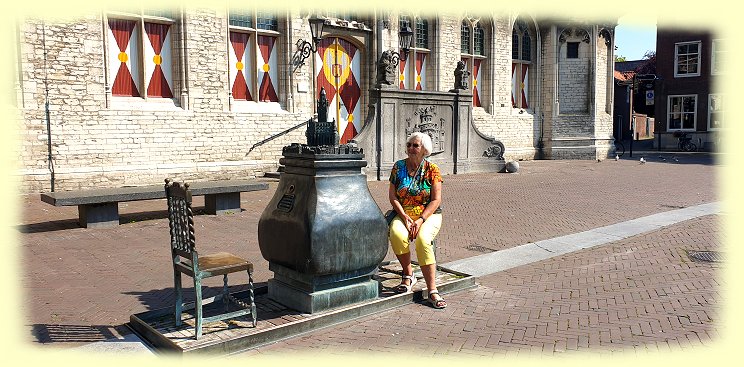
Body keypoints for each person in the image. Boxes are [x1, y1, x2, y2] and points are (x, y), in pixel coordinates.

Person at [388, 132, 445, 309]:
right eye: (409, 145)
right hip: (404, 213)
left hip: (428, 215)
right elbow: (392, 196)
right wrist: (404, 216)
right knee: (396, 234)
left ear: (424, 149)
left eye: (415, 145)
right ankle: (408, 274)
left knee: (423, 240)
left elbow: (436, 200)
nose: (411, 148)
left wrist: (420, 220)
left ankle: (432, 290)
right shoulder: (398, 167)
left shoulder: (432, 169)